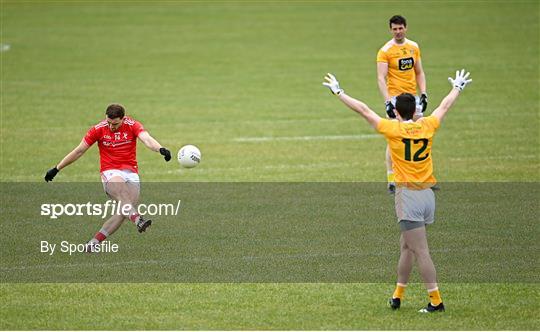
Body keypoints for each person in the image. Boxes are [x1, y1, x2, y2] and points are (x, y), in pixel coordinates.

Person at [323, 69, 472, 312]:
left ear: (396, 112)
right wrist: (458, 87)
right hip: (427, 196)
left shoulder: (393, 130)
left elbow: (363, 110)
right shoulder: (427, 126)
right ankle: (397, 295)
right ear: (415, 111)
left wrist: (339, 92)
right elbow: (444, 107)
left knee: (421, 251)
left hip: (408, 196)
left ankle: (436, 301)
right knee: (407, 246)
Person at [44, 104, 172, 251]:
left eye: (115, 123)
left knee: (124, 211)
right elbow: (79, 151)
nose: (111, 126)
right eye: (109, 123)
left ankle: (93, 244)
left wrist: (160, 149)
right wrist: (57, 168)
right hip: (110, 171)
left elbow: (147, 139)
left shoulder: (132, 125)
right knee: (125, 199)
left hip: (131, 172)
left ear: (123, 119)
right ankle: (138, 219)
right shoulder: (98, 129)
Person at [377, 15, 427, 194]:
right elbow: (381, 78)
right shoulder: (385, 51)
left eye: (400, 28)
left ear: (406, 27)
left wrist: (424, 94)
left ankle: (419, 176)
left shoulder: (414, 47)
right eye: (394, 29)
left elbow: (419, 72)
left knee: (419, 135)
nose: (398, 32)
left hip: (413, 99)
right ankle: (391, 178)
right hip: (396, 100)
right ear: (390, 30)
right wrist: (388, 102)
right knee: (394, 138)